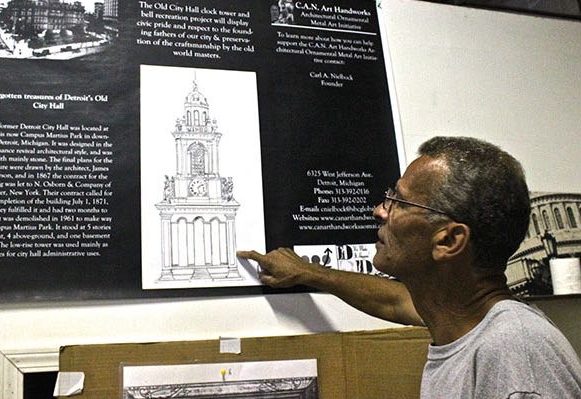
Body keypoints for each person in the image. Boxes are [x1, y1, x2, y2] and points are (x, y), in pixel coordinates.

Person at [238, 136, 581, 398]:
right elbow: (394, 301)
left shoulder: (514, 351)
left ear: (448, 241)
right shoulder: (460, 318)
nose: (379, 210)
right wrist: (310, 273)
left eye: (397, 201)